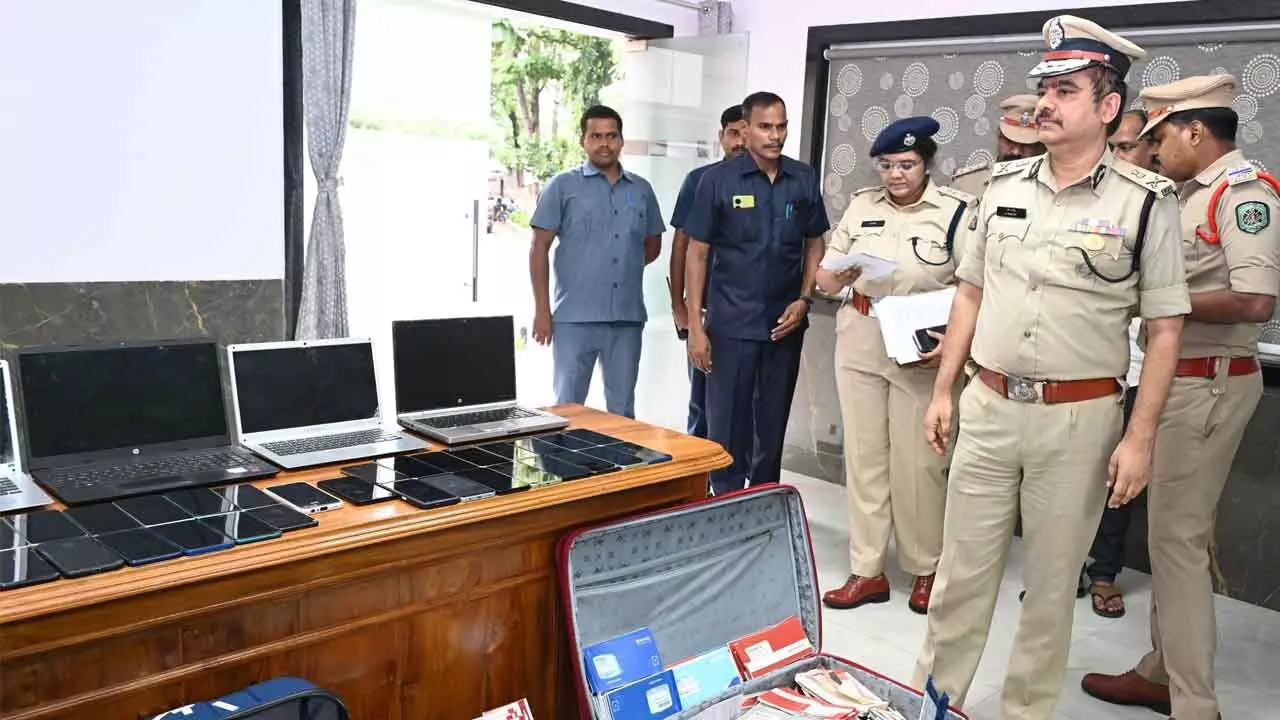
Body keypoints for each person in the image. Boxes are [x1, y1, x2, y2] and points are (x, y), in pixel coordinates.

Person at [912, 15, 1190, 720]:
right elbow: (970, 293)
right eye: (1044, 88)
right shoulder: (1000, 187)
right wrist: (945, 389)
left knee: (1049, 584)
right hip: (989, 406)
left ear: (1107, 109)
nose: (1045, 103)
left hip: (1080, 420)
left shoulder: (1145, 203)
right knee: (959, 577)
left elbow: (1164, 331)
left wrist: (1140, 437)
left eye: (1065, 91)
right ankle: (934, 704)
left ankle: (1025, 712)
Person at [1083, 73, 1280, 720]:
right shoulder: (1187, 193)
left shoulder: (1244, 194)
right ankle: (1161, 669)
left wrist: (1157, 301)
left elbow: (1254, 298)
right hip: (1182, 380)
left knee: (1178, 545)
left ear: (1196, 130)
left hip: (1210, 383)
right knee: (1172, 540)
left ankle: (1193, 702)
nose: (1155, 147)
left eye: (1162, 135)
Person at [817, 117, 975, 615]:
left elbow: (976, 286)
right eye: (886, 165)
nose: (895, 175)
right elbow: (826, 275)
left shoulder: (955, 211)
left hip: (920, 342)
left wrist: (955, 341)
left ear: (926, 164)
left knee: (920, 464)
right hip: (862, 333)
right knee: (865, 459)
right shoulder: (863, 204)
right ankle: (867, 571)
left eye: (906, 165)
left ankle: (925, 569)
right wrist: (834, 274)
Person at [683, 91, 830, 496]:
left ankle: (762, 501)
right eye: (766, 127)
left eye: (782, 126)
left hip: (783, 327)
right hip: (730, 326)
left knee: (772, 423)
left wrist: (804, 298)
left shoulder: (802, 178)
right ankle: (725, 503)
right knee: (725, 426)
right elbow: (697, 253)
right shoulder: (716, 181)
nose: (776, 135)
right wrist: (695, 325)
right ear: (744, 131)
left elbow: (815, 241)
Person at [529, 105, 665, 419]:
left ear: (621, 140)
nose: (604, 143)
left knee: (622, 412)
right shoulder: (563, 187)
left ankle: (623, 469)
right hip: (574, 318)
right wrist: (541, 311)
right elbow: (539, 249)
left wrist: (618, 266)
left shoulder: (641, 190)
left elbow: (652, 245)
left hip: (626, 319)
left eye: (611, 136)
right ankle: (563, 469)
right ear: (583, 140)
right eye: (596, 136)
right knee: (567, 408)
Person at [1082, 106, 1162, 620]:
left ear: (1151, 150)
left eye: (1127, 147)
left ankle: (1105, 572)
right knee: (1078, 477)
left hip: (1140, 368)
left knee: (1119, 481)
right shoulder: (1091, 199)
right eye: (1111, 147)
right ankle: (1068, 566)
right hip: (1088, 366)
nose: (1117, 157)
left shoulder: (1161, 206)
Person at [669, 105, 749, 438]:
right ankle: (700, 484)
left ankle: (734, 485)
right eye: (733, 134)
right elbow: (681, 245)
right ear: (721, 137)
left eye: (747, 134)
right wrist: (679, 304)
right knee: (701, 398)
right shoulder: (700, 180)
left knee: (741, 404)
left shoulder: (771, 184)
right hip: (705, 309)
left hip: (747, 313)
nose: (740, 142)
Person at [950, 94, 1046, 198]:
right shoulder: (967, 183)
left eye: (1028, 144)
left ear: (1045, 145)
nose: (1016, 151)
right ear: (999, 136)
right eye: (1009, 141)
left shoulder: (1057, 189)